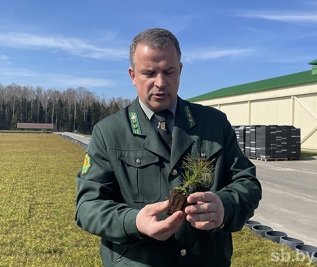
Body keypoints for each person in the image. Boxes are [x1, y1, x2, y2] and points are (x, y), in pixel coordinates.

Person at [75, 28, 262, 267]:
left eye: (169, 71)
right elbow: (88, 206)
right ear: (133, 75)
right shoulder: (109, 132)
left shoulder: (214, 124)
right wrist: (135, 222)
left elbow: (247, 183)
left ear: (180, 71)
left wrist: (225, 206)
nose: (160, 83)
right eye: (149, 73)